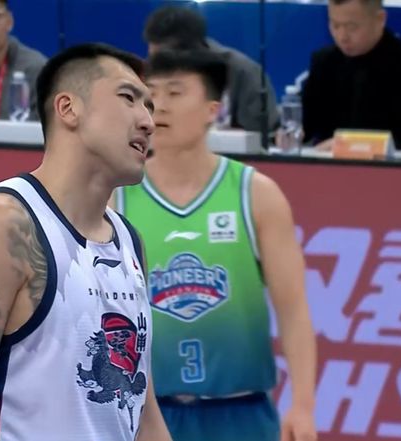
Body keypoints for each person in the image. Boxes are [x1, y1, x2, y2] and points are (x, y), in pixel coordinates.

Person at [0, 43, 172, 441]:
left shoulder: (130, 241)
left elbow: (143, 412)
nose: (148, 121)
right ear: (68, 109)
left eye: (149, 106)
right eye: (129, 98)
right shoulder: (1, 224)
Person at [115, 49, 317, 441]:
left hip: (241, 412)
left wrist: (303, 405)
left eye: (176, 92)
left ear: (213, 109)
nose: (160, 105)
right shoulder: (117, 196)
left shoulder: (254, 193)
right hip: (148, 415)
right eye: (152, 93)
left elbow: (293, 310)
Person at [302, 0, 401, 149]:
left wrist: (349, 145)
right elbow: (306, 129)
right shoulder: (324, 63)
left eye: (351, 27)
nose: (342, 36)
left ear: (380, 19)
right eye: (335, 25)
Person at [143, 5, 279, 132]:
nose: (159, 69)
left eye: (164, 61)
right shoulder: (150, 70)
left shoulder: (244, 72)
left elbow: (260, 134)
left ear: (191, 50)